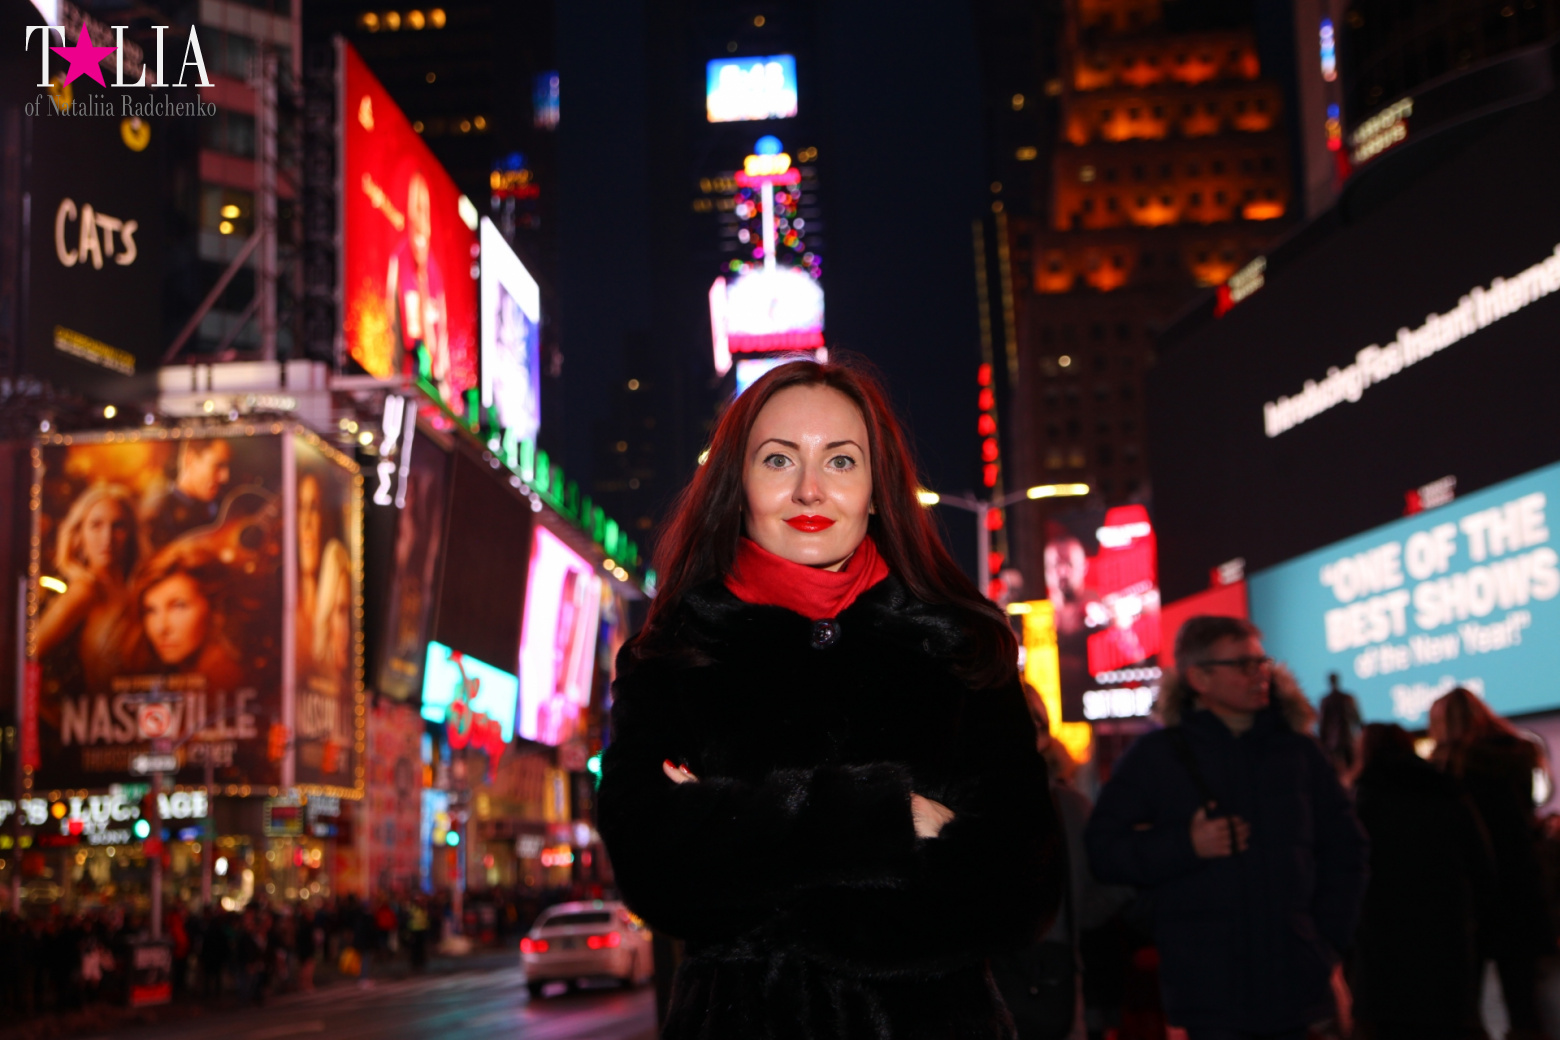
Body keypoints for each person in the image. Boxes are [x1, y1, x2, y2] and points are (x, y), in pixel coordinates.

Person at [596, 359, 1060, 1039]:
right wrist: (886, 818)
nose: (810, 490)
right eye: (779, 460)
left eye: (840, 462)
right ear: (738, 486)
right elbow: (657, 876)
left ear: (875, 491)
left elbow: (1022, 886)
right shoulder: (672, 655)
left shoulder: (958, 649)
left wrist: (740, 831)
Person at [1085, 616, 1369, 1040]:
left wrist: (1324, 943)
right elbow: (1103, 851)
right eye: (1242, 664)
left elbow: (1348, 852)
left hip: (1295, 985)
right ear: (1199, 677)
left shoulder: (1300, 753)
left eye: (1262, 662)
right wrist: (1186, 844)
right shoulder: (1156, 757)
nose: (1260, 674)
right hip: (1207, 992)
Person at [992, 685, 1131, 1040]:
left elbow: (1090, 905)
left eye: (1038, 725)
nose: (1030, 735)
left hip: (1054, 992)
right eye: (1020, 723)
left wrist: (1130, 867)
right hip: (985, 993)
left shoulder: (1070, 807)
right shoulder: (962, 804)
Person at [1350, 722, 1496, 1040]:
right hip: (1446, 931)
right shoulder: (1445, 790)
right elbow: (1481, 861)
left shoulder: (1362, 801)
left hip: (1383, 938)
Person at [1431, 687, 1553, 1040]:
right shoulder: (1519, 755)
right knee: (1524, 1001)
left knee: (1466, 1000)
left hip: (1474, 892)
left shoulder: (1453, 767)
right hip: (1521, 887)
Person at [35, 483, 139, 680]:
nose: (107, 537)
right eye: (95, 525)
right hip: (94, 707)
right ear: (79, 535)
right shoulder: (85, 591)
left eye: (118, 526)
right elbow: (29, 654)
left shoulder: (135, 588)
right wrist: (50, 711)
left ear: (131, 533)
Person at [118, 539, 245, 691]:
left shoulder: (223, 683)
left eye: (178, 606)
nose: (160, 628)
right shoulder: (190, 679)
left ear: (216, 609)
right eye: (150, 610)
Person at [140, 439, 233, 553]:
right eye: (218, 465)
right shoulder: (160, 510)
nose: (225, 477)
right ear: (190, 460)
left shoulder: (221, 506)